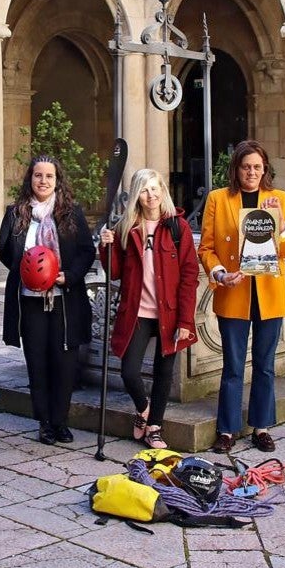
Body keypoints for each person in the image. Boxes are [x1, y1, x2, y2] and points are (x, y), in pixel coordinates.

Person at [198, 140, 285, 454]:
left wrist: (281, 229)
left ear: (264, 169)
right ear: (236, 169)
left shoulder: (279, 199)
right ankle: (227, 430)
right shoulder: (218, 198)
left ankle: (262, 427)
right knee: (233, 366)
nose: (251, 172)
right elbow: (206, 248)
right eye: (246, 167)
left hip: (269, 294)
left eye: (257, 167)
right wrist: (218, 274)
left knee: (266, 366)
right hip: (234, 291)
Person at [99, 169, 200, 450]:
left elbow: (189, 277)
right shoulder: (126, 228)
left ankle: (155, 426)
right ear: (136, 196)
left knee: (163, 372)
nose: (151, 195)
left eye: (155, 189)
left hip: (169, 312)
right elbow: (115, 272)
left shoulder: (177, 228)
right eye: (144, 190)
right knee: (129, 370)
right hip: (137, 311)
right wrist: (104, 248)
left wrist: (185, 320)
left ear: (163, 191)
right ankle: (143, 409)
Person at [0, 155, 95, 445]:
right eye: (38, 175)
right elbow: (5, 250)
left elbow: (86, 252)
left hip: (64, 300)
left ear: (57, 180)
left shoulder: (71, 213)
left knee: (64, 363)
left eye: (49, 176)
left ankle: (61, 421)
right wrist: (28, 272)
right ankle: (44, 423)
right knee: (37, 363)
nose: (43, 181)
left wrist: (69, 275)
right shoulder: (16, 213)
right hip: (29, 301)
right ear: (30, 178)